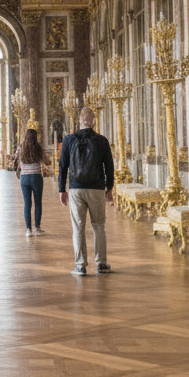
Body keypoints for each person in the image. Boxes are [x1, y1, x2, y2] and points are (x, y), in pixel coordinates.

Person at [58, 107, 114, 276]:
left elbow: (63, 166)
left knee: (78, 227)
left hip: (76, 188)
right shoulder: (102, 141)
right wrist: (109, 188)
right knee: (98, 226)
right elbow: (109, 167)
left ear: (79, 121)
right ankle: (101, 262)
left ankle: (80, 265)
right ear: (93, 121)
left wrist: (62, 189)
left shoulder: (69, 140)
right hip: (97, 188)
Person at [16, 128, 46, 237]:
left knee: (27, 204)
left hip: (24, 178)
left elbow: (16, 159)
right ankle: (37, 228)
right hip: (36, 177)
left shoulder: (21, 147)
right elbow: (46, 161)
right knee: (37, 203)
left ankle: (28, 230)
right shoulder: (38, 147)